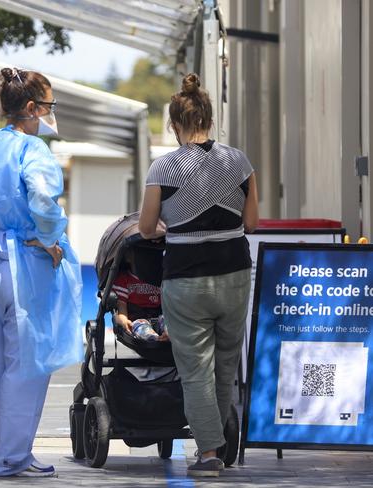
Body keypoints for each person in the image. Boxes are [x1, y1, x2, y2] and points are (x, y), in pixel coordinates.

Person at [0, 67, 83, 478]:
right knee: (24, 363)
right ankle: (11, 457)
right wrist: (50, 239)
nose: (50, 114)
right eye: (49, 106)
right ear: (31, 108)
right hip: (24, 264)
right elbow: (44, 199)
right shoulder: (33, 150)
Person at [138, 73, 259, 477]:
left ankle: (208, 453)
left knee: (195, 370)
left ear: (175, 124)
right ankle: (218, 443)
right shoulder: (238, 161)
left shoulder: (164, 167)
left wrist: (174, 226)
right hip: (235, 275)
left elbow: (145, 227)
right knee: (225, 366)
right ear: (210, 117)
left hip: (186, 278)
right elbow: (253, 223)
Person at [111, 247, 169, 341]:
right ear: (128, 257)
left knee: (171, 322)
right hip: (137, 319)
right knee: (141, 328)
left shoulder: (161, 277)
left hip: (160, 316)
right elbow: (121, 308)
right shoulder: (124, 280)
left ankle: (168, 334)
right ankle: (155, 339)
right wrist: (123, 320)